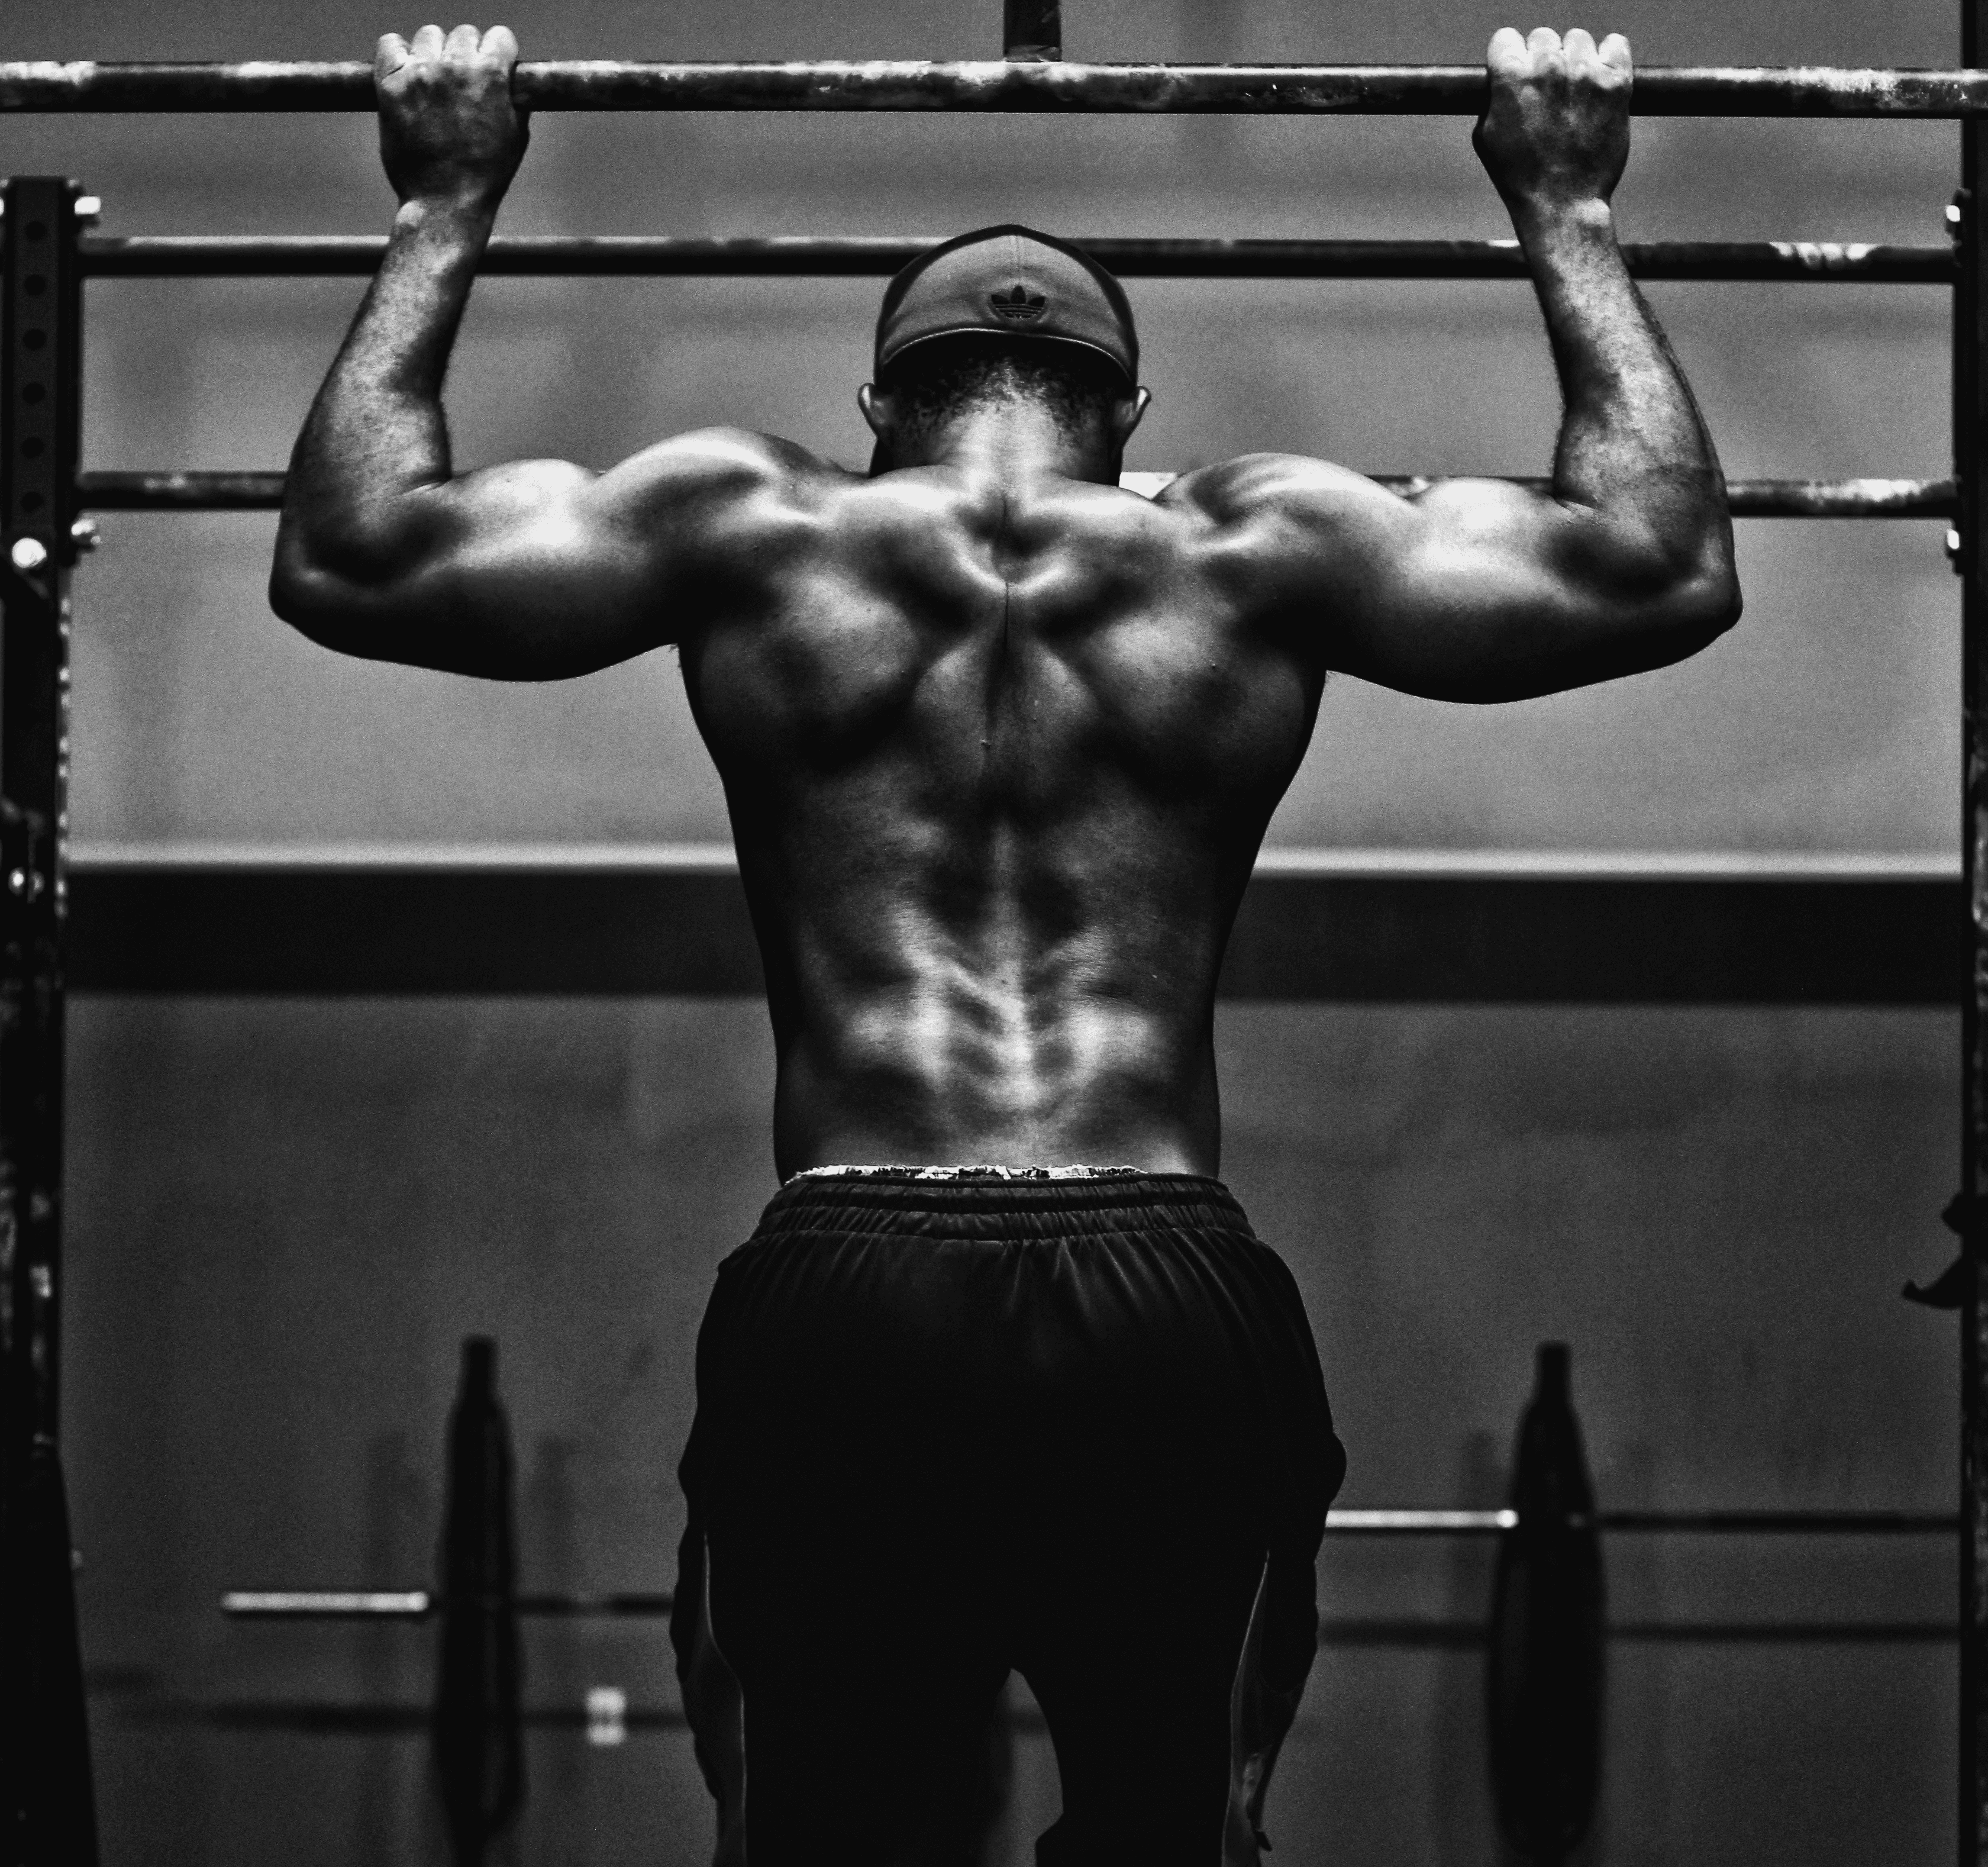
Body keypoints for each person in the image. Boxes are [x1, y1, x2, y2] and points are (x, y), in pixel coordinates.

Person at [270, 21, 1739, 1865]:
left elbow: (349, 551)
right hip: (1155, 1272)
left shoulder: (754, 521)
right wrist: (1568, 198)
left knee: (815, 1834)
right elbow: (1663, 562)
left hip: (854, 1278)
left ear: (879, 399)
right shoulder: (1253, 540)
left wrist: (446, 196)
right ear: (1131, 411)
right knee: (1175, 1832)